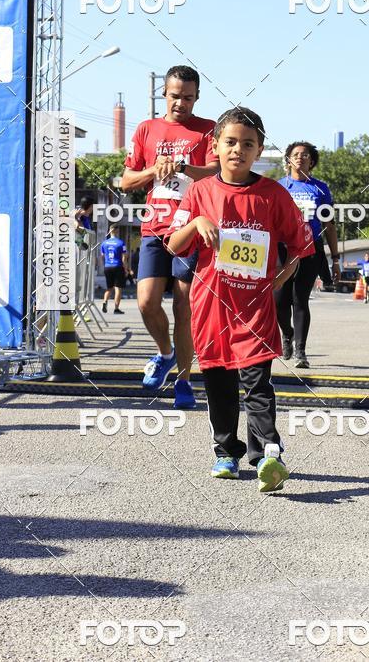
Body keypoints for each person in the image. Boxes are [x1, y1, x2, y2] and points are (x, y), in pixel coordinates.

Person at [166, 107, 314, 492]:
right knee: (219, 382)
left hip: (255, 308)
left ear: (260, 149)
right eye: (230, 142)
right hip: (212, 306)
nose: (238, 150)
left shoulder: (274, 195)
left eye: (247, 144)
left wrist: (277, 281)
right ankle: (226, 451)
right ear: (215, 147)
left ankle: (268, 453)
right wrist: (197, 223)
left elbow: (299, 247)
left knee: (258, 382)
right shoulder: (200, 191)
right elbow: (172, 244)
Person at [121, 65, 219, 410]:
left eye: (189, 98)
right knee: (146, 301)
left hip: (190, 227)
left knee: (184, 308)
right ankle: (166, 354)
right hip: (154, 227)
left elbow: (216, 172)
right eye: (176, 96)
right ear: (164, 94)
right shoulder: (147, 129)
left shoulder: (207, 130)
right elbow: (126, 181)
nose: (182, 103)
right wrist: (154, 169)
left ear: (197, 97)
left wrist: (182, 167)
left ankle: (184, 382)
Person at [275, 141, 340, 368]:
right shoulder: (279, 187)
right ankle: (287, 334)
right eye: (295, 154)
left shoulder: (320, 189)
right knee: (279, 300)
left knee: (299, 299)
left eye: (305, 155)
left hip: (310, 248)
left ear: (311, 161)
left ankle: (301, 352)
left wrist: (336, 258)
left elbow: (329, 225)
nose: (300, 158)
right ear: (289, 159)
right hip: (282, 249)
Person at [101, 226, 128, 314]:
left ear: (110, 231)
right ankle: (116, 308)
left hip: (107, 266)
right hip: (118, 267)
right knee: (118, 288)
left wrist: (105, 265)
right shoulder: (121, 243)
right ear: (117, 231)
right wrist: (126, 269)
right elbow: (124, 258)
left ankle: (105, 301)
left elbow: (102, 256)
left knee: (109, 288)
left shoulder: (104, 243)